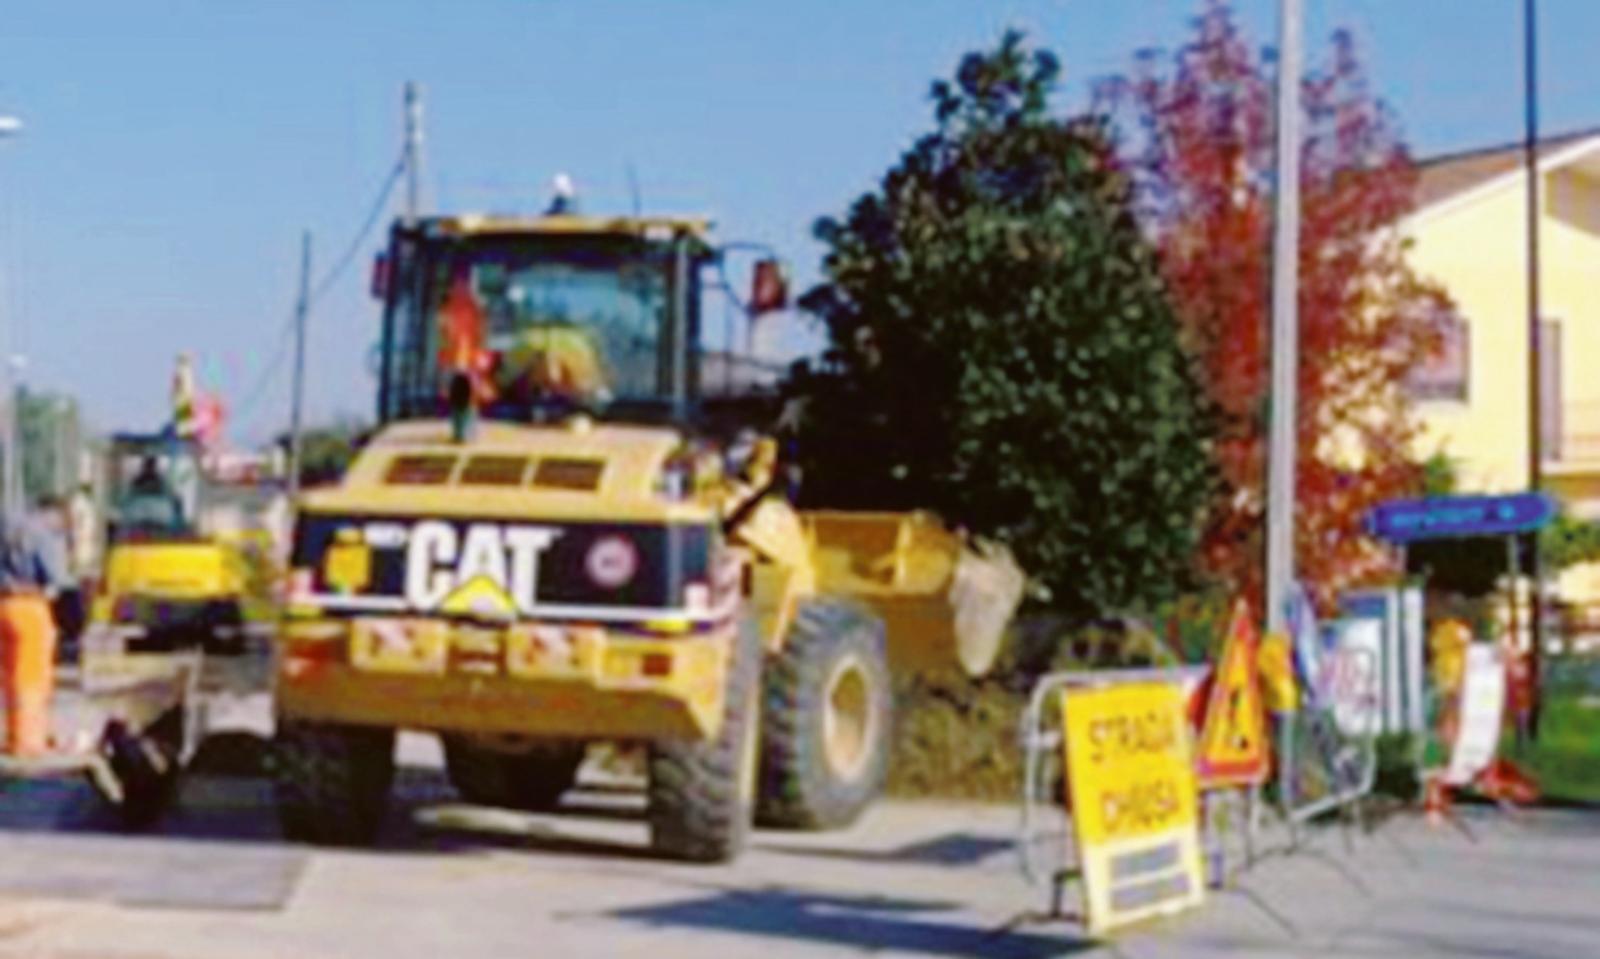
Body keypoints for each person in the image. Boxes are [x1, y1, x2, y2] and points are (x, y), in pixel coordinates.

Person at [0, 509, 72, 756]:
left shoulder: (5, 524)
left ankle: (10, 735)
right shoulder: (40, 533)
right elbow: (57, 578)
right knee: (30, 677)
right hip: (29, 605)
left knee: (7, 676)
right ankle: (27, 742)